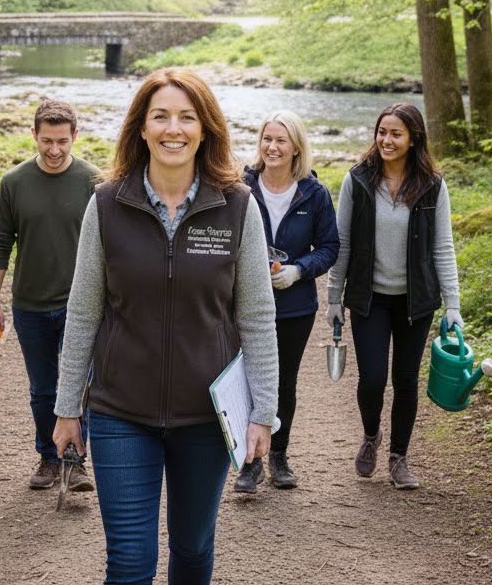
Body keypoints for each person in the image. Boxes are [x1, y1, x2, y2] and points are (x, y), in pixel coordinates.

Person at [52, 69, 278, 585]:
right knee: (130, 561)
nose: (173, 129)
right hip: (120, 412)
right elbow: (83, 312)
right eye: (160, 117)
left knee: (193, 550)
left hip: (206, 416)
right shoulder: (106, 204)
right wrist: (67, 408)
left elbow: (256, 317)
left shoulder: (237, 206)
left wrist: (263, 412)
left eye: (186, 117)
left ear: (205, 129)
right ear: (141, 128)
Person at [326, 102, 462, 490]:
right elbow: (343, 242)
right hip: (369, 298)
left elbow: (443, 246)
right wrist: (334, 297)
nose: (386, 140)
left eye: (396, 134)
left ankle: (399, 458)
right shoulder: (357, 180)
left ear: (413, 139)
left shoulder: (432, 185)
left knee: (405, 381)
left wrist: (453, 304)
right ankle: (371, 435)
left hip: (414, 301)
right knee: (372, 380)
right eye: (382, 132)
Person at [0, 99, 99, 491]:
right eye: (47, 141)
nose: (54, 150)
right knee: (43, 388)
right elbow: (0, 243)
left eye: (62, 141)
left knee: (78, 384)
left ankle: (75, 460)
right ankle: (49, 458)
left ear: (75, 136)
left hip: (80, 305)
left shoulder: (93, 182)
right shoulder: (14, 183)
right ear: (33, 134)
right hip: (30, 304)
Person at [236, 110, 339, 492]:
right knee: (247, 380)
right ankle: (250, 462)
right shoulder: (241, 186)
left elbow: (329, 247)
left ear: (296, 147)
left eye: (281, 140)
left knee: (283, 381)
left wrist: (299, 270)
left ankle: (278, 455)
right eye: (267, 139)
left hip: (295, 305)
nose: (272, 147)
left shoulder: (314, 193)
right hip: (244, 302)